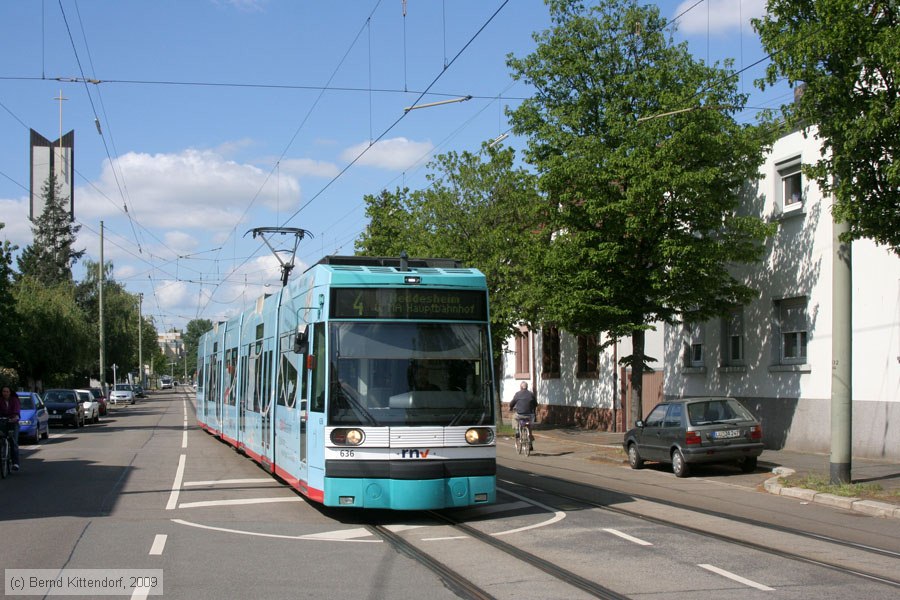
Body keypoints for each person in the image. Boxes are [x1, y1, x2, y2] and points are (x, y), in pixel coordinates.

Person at [0, 385, 21, 471]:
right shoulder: (0, 400)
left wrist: (15, 417)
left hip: (13, 422)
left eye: (7, 391)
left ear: (10, 392)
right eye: (4, 391)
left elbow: (16, 410)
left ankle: (15, 463)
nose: (5, 393)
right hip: (2, 422)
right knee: (1, 439)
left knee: (13, 442)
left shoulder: (14, 400)